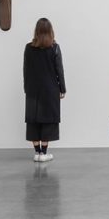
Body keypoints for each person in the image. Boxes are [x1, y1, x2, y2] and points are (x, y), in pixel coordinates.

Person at [23, 18, 66, 162]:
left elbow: (26, 70)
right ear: (50, 31)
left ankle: (37, 153)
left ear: (36, 31)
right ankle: (44, 153)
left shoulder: (28, 48)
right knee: (48, 120)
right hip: (50, 90)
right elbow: (59, 70)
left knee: (33, 120)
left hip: (33, 89)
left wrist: (26, 88)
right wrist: (62, 88)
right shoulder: (55, 48)